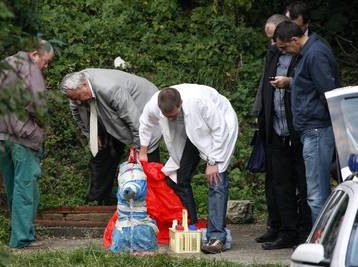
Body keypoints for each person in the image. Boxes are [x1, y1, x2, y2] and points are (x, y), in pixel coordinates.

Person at [139, 84, 238, 254]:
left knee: (216, 180)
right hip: (191, 132)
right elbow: (146, 123)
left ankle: (216, 237)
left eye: (173, 115)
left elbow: (219, 128)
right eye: (166, 117)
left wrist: (214, 161)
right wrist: (143, 151)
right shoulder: (153, 105)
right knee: (178, 177)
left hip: (220, 128)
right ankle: (191, 224)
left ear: (181, 104)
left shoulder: (199, 102)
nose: (170, 119)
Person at [60, 69, 161, 204]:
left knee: (147, 157)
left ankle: (154, 201)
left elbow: (135, 121)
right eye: (73, 99)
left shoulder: (110, 88)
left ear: (85, 85)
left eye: (77, 98)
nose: (77, 102)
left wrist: (140, 149)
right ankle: (97, 200)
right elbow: (77, 114)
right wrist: (92, 135)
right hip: (108, 113)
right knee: (104, 154)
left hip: (142, 107)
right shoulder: (75, 91)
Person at [0, 39, 54, 248]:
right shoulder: (29, 70)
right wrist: (42, 126)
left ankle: (21, 233)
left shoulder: (1, 66)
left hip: (0, 134)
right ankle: (22, 239)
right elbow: (38, 104)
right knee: (26, 187)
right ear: (35, 54)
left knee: (13, 186)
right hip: (23, 135)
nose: (45, 66)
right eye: (45, 61)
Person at [273, 21, 340, 224]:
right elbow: (310, 83)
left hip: (317, 130)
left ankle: (321, 246)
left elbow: (328, 92)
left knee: (316, 194)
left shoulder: (315, 54)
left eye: (284, 47)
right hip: (311, 129)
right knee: (317, 192)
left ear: (294, 39)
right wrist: (291, 82)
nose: (284, 52)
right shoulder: (306, 54)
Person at [256, 14, 311, 250]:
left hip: (300, 131)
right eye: (272, 41)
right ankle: (285, 231)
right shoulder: (273, 55)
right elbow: (263, 90)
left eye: (277, 41)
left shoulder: (304, 56)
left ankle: (307, 230)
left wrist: (289, 82)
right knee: (281, 184)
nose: (275, 46)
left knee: (306, 183)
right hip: (276, 130)